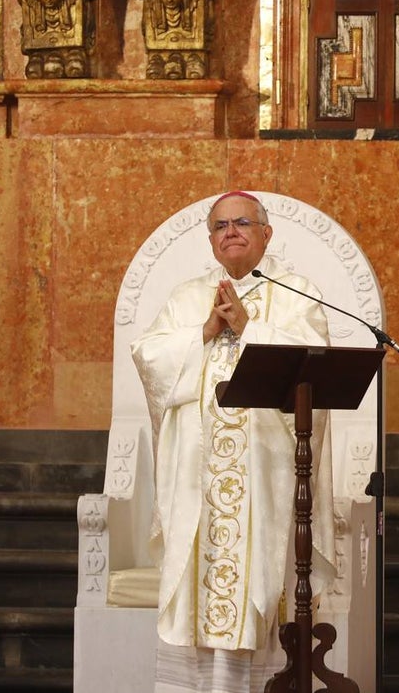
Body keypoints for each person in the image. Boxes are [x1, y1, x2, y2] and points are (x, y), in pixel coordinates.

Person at [132, 191, 337, 693]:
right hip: (194, 481)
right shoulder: (186, 296)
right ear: (211, 240)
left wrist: (248, 325)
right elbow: (150, 359)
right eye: (220, 225)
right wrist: (204, 330)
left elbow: (317, 365)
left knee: (258, 586)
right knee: (196, 584)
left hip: (264, 477)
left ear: (266, 233)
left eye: (242, 222)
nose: (231, 231)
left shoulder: (297, 293)